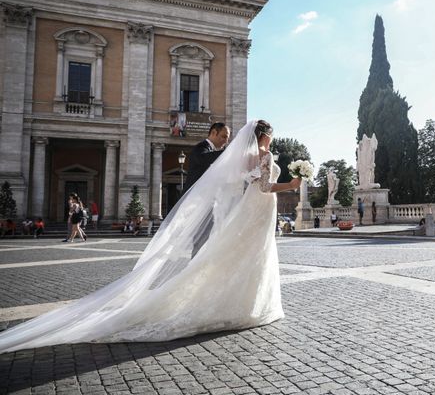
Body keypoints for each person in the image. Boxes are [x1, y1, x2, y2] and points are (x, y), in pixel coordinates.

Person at [0, 119, 301, 353]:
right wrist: (292, 185)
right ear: (265, 135)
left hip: (248, 210)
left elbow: (242, 181)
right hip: (254, 209)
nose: (227, 140)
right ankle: (243, 302)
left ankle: (234, 299)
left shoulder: (240, 156)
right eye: (223, 135)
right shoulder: (252, 154)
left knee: (237, 254)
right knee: (246, 255)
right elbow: (261, 186)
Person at [183, 122, 230, 193]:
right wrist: (228, 152)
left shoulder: (213, 151)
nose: (226, 141)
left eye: (227, 138)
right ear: (213, 132)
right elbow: (203, 159)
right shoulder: (201, 147)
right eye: (224, 136)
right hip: (192, 197)